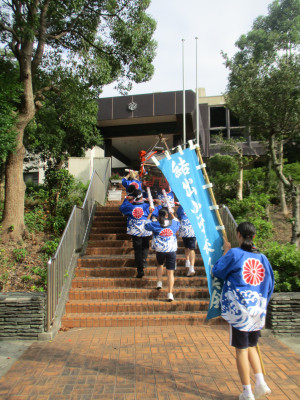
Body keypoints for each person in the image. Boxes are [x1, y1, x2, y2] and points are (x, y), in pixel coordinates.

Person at [212, 222, 274, 400]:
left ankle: (247, 392)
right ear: (253, 236)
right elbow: (270, 285)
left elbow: (217, 271)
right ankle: (261, 383)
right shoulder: (263, 258)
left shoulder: (234, 254)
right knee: (252, 346)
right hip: (258, 309)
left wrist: (225, 251)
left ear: (238, 235)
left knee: (241, 350)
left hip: (239, 310)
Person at [119, 190, 161, 278]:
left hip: (135, 231)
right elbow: (157, 213)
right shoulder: (147, 206)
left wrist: (126, 199)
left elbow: (121, 208)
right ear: (142, 197)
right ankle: (143, 259)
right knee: (145, 246)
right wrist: (159, 205)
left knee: (137, 250)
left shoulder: (130, 206)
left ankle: (140, 270)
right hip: (146, 229)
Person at [145, 208, 180, 302]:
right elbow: (177, 221)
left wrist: (149, 215)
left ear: (158, 215)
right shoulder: (173, 224)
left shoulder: (155, 224)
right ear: (167, 215)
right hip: (171, 250)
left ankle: (159, 282)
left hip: (160, 250)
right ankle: (170, 294)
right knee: (170, 272)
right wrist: (172, 214)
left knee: (160, 265)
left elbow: (146, 225)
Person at [176, 205, 197, 277]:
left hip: (184, 228)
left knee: (186, 246)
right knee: (192, 248)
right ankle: (191, 267)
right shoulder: (194, 205)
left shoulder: (180, 208)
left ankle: (187, 261)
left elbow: (179, 216)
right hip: (192, 228)